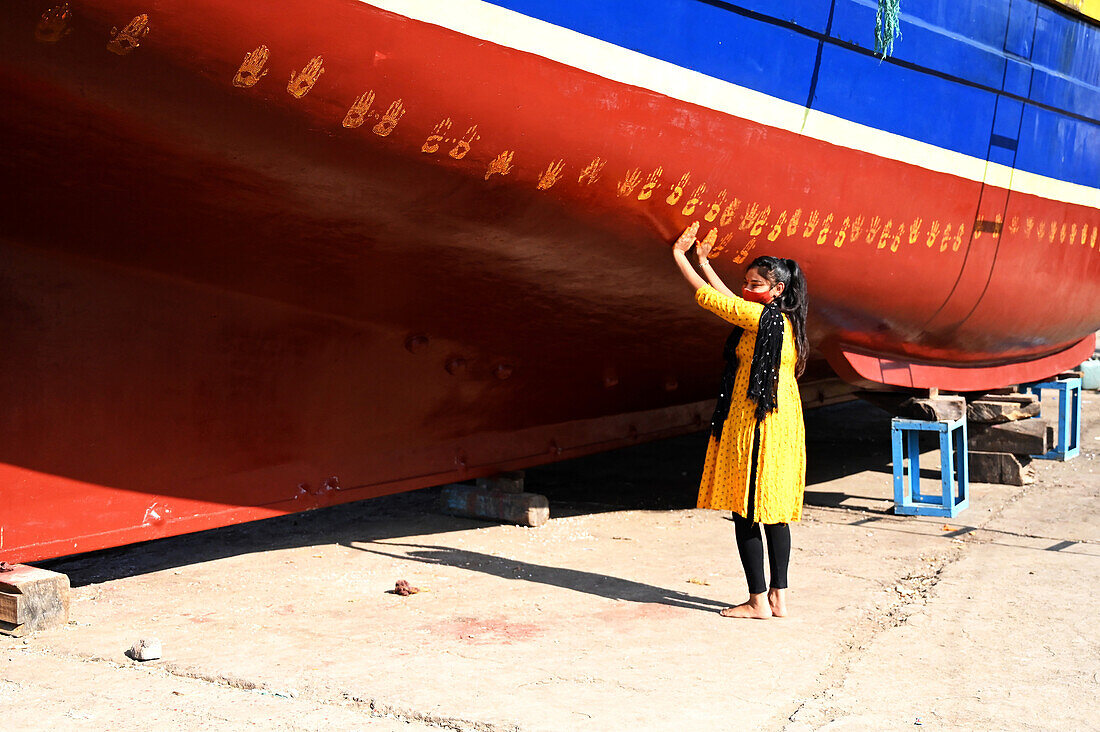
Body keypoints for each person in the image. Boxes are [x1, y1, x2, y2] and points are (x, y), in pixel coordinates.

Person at [671, 222, 808, 619]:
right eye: (747, 281)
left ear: (777, 289)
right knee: (775, 512)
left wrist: (680, 257)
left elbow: (713, 300)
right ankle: (779, 598)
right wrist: (705, 261)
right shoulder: (779, 320)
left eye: (756, 283)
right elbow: (732, 299)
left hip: (758, 424)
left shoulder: (761, 320)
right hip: (783, 423)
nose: (748, 288)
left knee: (745, 510)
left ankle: (755, 601)